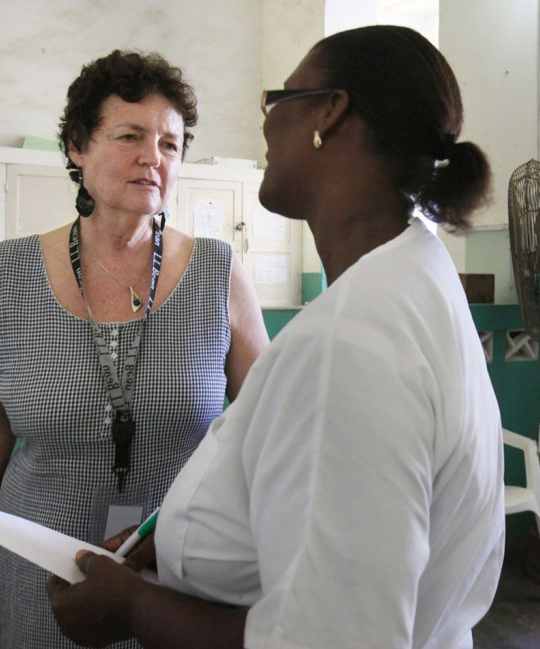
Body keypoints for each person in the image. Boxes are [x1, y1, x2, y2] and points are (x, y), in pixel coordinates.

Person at [47, 25, 505, 649]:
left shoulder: (349, 341)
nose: (266, 125)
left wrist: (131, 609)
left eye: (277, 101)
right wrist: (179, 535)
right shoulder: (415, 276)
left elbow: (334, 639)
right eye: (127, 137)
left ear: (328, 113)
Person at [0, 50, 268, 649]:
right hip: (42, 584)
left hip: (175, 585)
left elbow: (272, 427)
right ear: (78, 146)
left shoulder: (219, 272)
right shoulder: (8, 274)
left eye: (170, 145)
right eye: (130, 136)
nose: (152, 158)